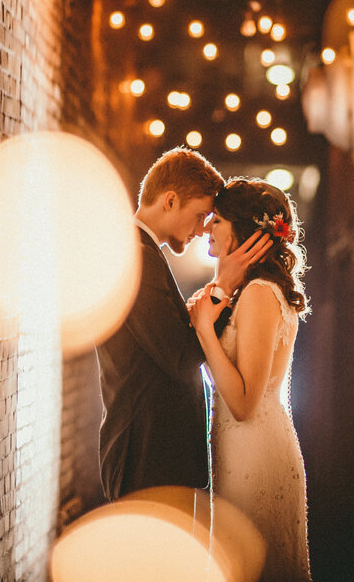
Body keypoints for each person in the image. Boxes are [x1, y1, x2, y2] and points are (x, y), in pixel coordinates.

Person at [97, 148, 271, 501]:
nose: (201, 229)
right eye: (200, 215)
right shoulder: (135, 257)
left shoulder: (141, 252)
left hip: (157, 455)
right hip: (146, 456)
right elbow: (181, 357)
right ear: (171, 201)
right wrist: (222, 289)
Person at [190, 178, 312, 581]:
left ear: (243, 231)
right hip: (235, 452)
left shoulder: (260, 293)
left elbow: (243, 404)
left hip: (256, 458)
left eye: (217, 219)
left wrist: (206, 330)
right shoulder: (244, 292)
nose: (207, 227)